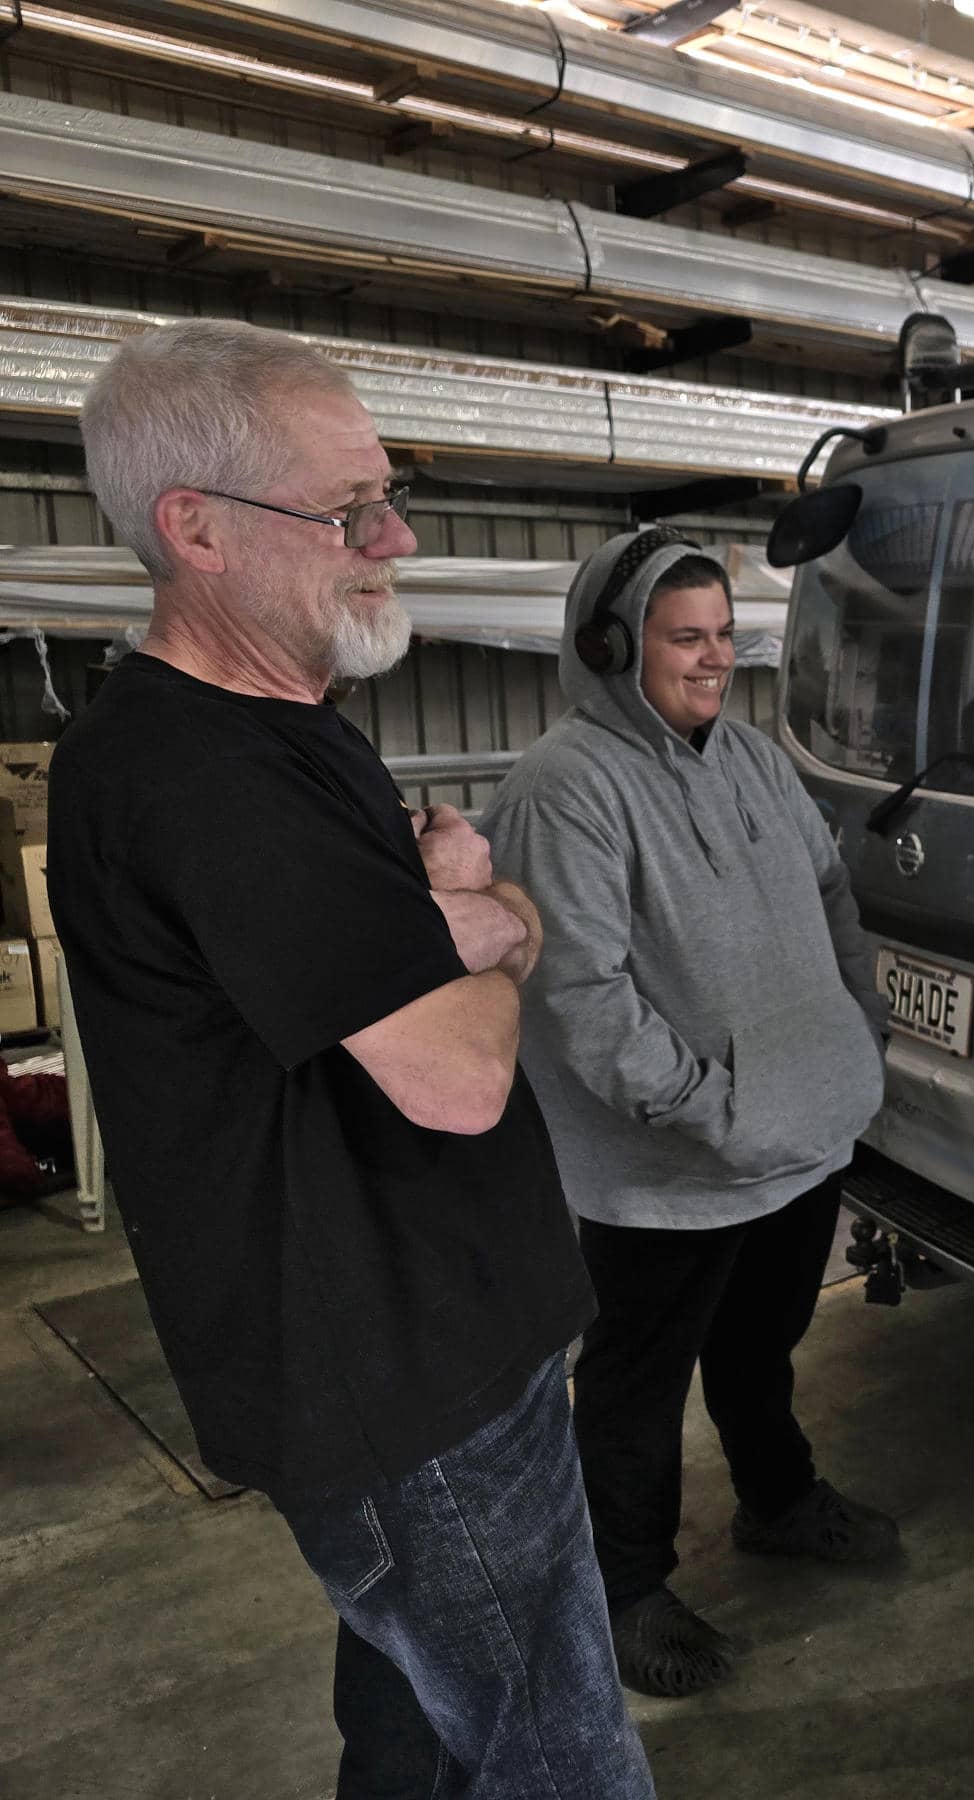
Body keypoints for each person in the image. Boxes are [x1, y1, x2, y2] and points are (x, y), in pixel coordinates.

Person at [55, 320, 651, 1798]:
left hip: (438, 1358)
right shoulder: (207, 776)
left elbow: (385, 962)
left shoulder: (290, 722)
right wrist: (503, 924)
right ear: (193, 528)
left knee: (417, 1738)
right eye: (344, 511)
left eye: (387, 496)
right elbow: (457, 1077)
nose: (393, 536)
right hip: (405, 1397)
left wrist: (454, 923)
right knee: (561, 1757)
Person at [482, 530, 896, 1700]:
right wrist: (710, 1108)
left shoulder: (754, 760)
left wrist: (855, 1031)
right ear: (612, 646)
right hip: (667, 1170)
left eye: (724, 635)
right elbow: (579, 994)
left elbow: (828, 890)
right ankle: (623, 1587)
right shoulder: (566, 787)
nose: (713, 659)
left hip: (797, 1141)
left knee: (761, 1345)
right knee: (635, 1386)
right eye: (685, 638)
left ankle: (776, 1500)